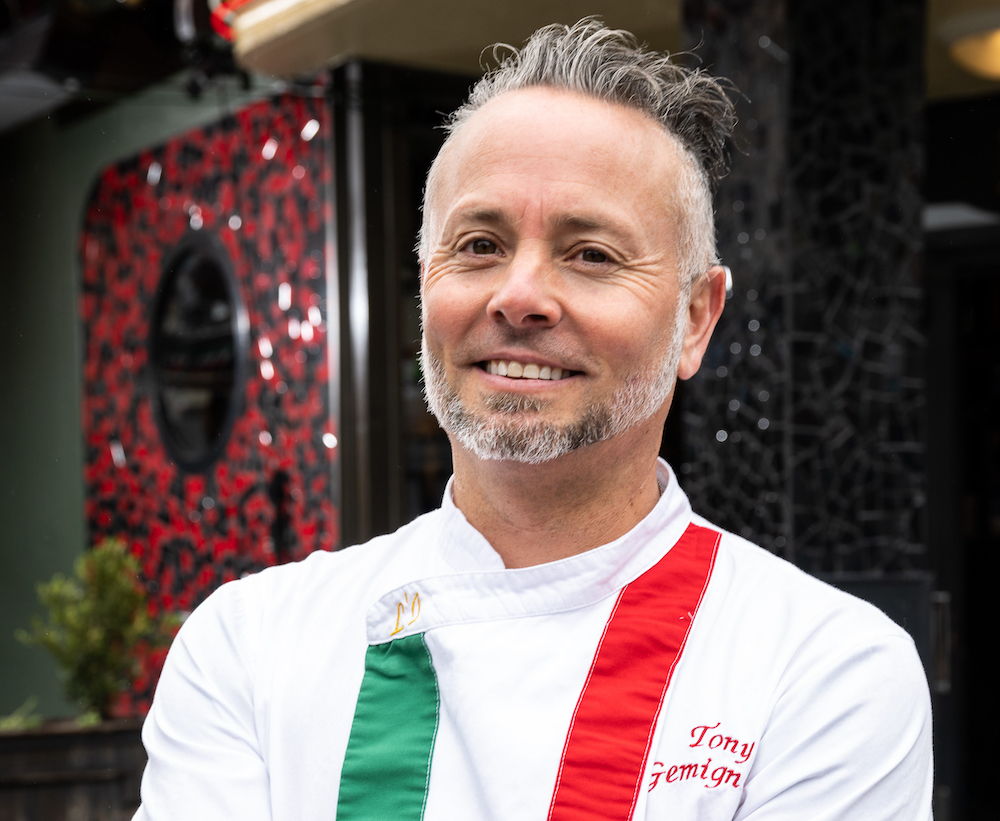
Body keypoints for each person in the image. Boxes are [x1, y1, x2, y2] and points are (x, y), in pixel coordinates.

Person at [133, 19, 932, 821]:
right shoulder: (249, 647)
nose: (517, 296)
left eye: (592, 254)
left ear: (695, 318)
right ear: (425, 287)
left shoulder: (825, 671)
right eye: (479, 244)